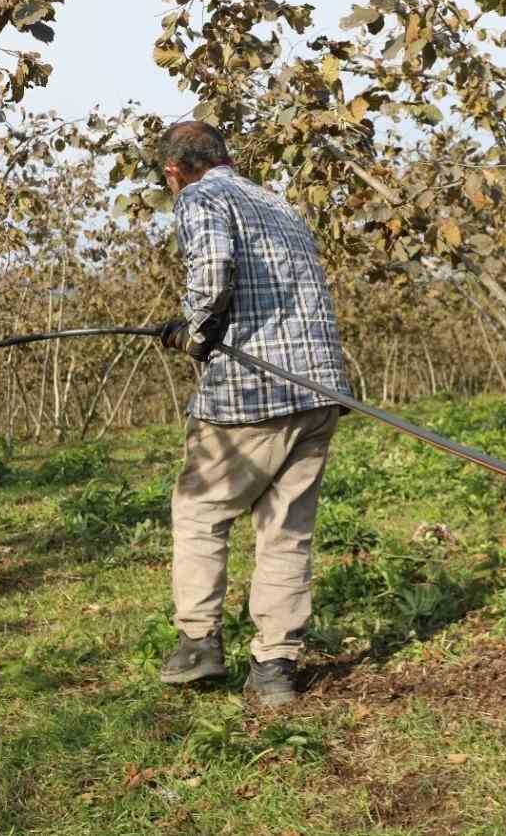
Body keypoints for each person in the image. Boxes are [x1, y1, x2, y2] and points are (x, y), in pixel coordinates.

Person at [153, 120, 351, 706]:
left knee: (199, 510)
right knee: (286, 529)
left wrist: (189, 333)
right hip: (317, 389)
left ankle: (197, 643)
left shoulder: (199, 197)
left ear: (173, 171)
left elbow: (212, 273)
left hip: (252, 392)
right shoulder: (276, 202)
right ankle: (273, 670)